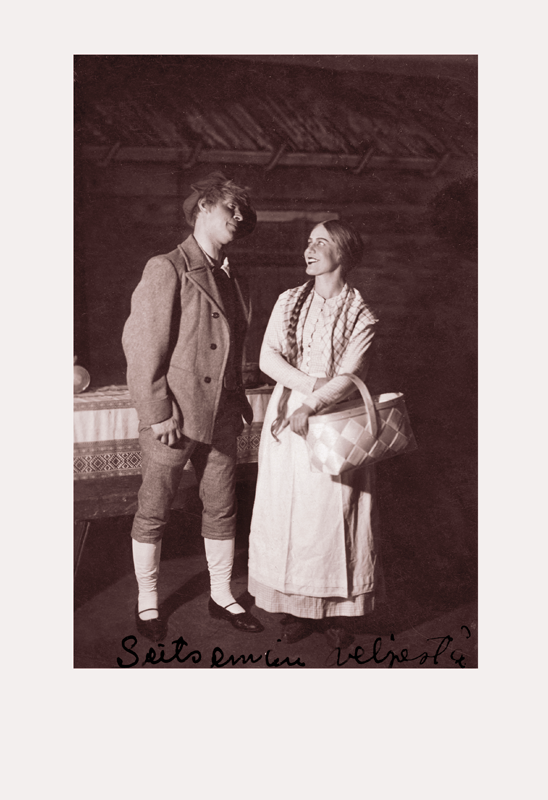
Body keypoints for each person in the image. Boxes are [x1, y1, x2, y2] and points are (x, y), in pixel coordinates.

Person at [122, 172, 264, 641]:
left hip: (221, 414)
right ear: (203, 207)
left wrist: (237, 397)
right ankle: (147, 601)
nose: (238, 216)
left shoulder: (234, 276)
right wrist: (157, 413)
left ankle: (221, 595)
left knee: (222, 507)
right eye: (230, 207)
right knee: (154, 510)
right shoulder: (167, 267)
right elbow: (142, 349)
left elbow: (229, 349)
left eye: (242, 211)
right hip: (175, 418)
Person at [248, 219, 382, 648]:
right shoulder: (289, 300)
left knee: (333, 516)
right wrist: (306, 389)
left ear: (343, 253)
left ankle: (337, 612)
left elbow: (350, 376)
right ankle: (295, 608)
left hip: (336, 425)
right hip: (289, 421)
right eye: (309, 242)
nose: (309, 249)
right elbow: (268, 358)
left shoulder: (362, 313)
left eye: (320, 243)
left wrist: (312, 404)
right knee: (289, 513)